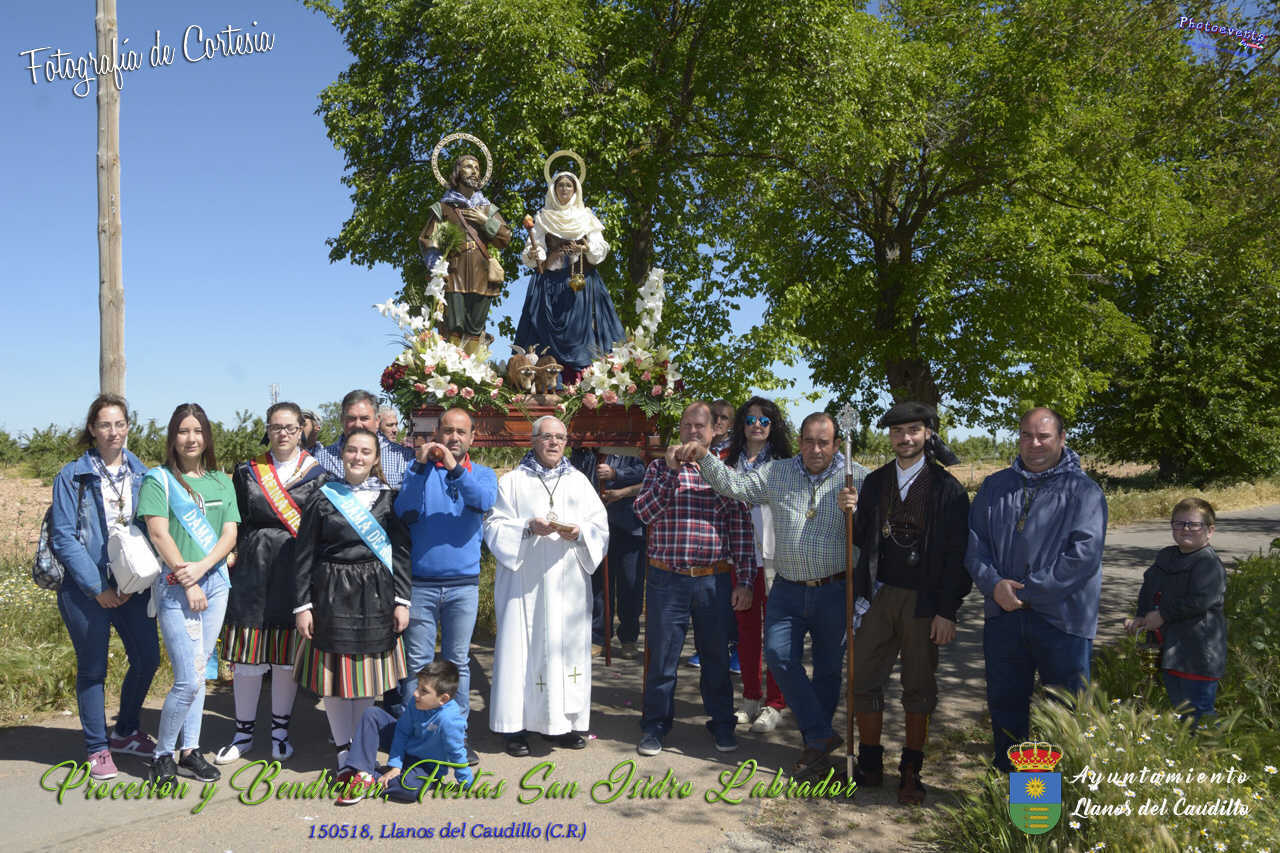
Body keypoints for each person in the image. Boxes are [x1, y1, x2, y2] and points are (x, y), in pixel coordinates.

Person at [681, 411, 865, 776]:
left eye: (824, 443)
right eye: (809, 441)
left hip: (836, 588)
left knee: (829, 670)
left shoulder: (856, 477)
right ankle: (821, 733)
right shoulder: (777, 472)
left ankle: (815, 745)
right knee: (779, 657)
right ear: (799, 442)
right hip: (788, 587)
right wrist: (704, 457)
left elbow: (874, 529)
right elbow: (735, 486)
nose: (815, 449)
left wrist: (857, 510)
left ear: (836, 444)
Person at [966, 407, 1107, 771]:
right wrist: (994, 585)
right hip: (1003, 618)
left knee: (1063, 713)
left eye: (1044, 436)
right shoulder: (995, 486)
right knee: (1006, 708)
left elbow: (1083, 556)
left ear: (1061, 438)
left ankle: (1058, 793)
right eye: (1027, 435)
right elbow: (974, 545)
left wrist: (1026, 592)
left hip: (1062, 621)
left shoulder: (1084, 491)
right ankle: (1012, 788)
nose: (1034, 444)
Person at [849, 402, 971, 804]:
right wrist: (849, 512)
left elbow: (958, 556)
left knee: (918, 685)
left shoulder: (948, 489)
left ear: (927, 434)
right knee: (864, 678)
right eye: (898, 431)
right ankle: (870, 762)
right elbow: (862, 538)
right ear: (890, 436)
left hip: (925, 600)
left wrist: (947, 610)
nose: (905, 438)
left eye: (913, 430)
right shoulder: (875, 481)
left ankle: (911, 769)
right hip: (878, 594)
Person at [633, 402, 755, 757]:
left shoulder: (724, 474)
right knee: (662, 658)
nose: (693, 431)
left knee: (716, 659)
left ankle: (722, 724)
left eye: (700, 426)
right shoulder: (659, 468)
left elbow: (741, 530)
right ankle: (655, 725)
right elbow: (644, 513)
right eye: (687, 425)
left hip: (712, 581)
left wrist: (745, 581)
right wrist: (672, 473)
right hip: (666, 578)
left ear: (714, 431)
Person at [483, 416, 609, 756]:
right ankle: (515, 728)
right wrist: (526, 527)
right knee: (521, 650)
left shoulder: (579, 482)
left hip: (568, 584)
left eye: (560, 437)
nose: (554, 443)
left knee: (564, 651)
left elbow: (600, 527)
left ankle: (561, 725)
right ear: (533, 440)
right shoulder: (512, 481)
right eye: (547, 436)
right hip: (524, 586)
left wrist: (579, 533)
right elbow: (493, 526)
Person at [49, 394, 159, 781]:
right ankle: (97, 748)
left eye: (119, 424)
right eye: (105, 425)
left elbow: (152, 528)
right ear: (92, 429)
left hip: (133, 586)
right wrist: (98, 587)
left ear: (128, 426)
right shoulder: (72, 476)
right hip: (85, 588)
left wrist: (135, 581)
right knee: (93, 669)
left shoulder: (144, 475)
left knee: (147, 659)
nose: (113, 432)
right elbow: (63, 537)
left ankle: (125, 731)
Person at [294, 428, 412, 770]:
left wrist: (402, 600)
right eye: (352, 450)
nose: (357, 457)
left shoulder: (390, 499)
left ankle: (361, 752)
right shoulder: (322, 497)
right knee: (333, 678)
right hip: (330, 593)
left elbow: (401, 554)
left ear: (375, 459)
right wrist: (303, 605)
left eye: (365, 452)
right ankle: (343, 752)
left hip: (375, 595)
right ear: (342, 454)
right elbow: (304, 553)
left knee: (365, 678)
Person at [215, 402, 325, 765]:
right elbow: (235, 521)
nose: (283, 434)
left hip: (295, 572)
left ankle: (280, 733)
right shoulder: (247, 471)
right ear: (267, 429)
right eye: (276, 427)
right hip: (253, 570)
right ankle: (242, 734)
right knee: (248, 658)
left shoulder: (318, 475)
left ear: (301, 431)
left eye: (291, 427)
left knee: (284, 661)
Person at [139, 403, 239, 787]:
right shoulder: (159, 480)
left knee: (199, 673)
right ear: (173, 437)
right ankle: (162, 754)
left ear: (207, 436)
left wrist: (204, 568)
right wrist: (189, 579)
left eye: (197, 431)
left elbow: (230, 533)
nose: (191, 438)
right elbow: (158, 532)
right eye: (183, 431)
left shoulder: (221, 481)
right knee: (187, 679)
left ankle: (190, 751)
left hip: (215, 584)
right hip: (176, 588)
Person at [394, 408, 497, 764]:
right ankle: (417, 738)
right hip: (421, 584)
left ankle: (456, 737)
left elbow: (482, 502)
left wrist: (454, 469)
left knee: (458, 664)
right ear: (437, 433)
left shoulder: (482, 474)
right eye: (448, 431)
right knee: (418, 665)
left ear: (472, 438)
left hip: (463, 585)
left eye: (461, 432)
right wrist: (421, 467)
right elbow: (404, 510)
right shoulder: (419, 471)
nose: (454, 437)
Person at [515, 170, 624, 384]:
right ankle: (548, 381)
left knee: (582, 330)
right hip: (550, 284)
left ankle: (582, 381)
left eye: (568, 185)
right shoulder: (543, 217)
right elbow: (536, 246)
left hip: (580, 283)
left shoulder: (586, 217)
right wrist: (535, 253)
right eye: (560, 185)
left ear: (575, 190)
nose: (564, 189)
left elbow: (600, 247)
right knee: (544, 331)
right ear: (553, 190)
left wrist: (586, 247)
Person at [1124, 498, 1226, 724]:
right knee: (1181, 710)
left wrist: (1162, 615)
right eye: (1179, 523)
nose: (1185, 529)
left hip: (1197, 655)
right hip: (1170, 652)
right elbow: (1149, 587)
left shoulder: (1208, 564)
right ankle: (1190, 745)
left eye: (1193, 524)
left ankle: (1211, 745)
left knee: (1199, 713)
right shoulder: (1166, 556)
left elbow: (1199, 600)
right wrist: (1142, 615)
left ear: (1209, 531)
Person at [724, 397, 792, 733]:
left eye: (764, 421)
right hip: (741, 559)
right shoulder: (728, 462)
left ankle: (775, 703)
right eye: (750, 419)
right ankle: (750, 698)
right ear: (742, 424)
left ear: (773, 426)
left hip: (775, 559)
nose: (757, 426)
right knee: (746, 634)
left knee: (776, 635)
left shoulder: (784, 465)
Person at [335, 660, 472, 805]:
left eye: (424, 691)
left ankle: (371, 778)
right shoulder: (417, 701)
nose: (416, 693)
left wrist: (468, 783)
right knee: (372, 714)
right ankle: (363, 774)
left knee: (409, 789)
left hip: (426, 766)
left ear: (443, 699)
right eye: (418, 686)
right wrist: (396, 765)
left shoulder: (450, 720)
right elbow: (401, 731)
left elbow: (457, 753)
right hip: (406, 749)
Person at [419, 152, 512, 349]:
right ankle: (452, 365)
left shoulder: (487, 209)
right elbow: (429, 241)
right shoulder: (444, 208)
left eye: (477, 168)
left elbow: (504, 239)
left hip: (482, 274)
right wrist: (437, 270)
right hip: (454, 273)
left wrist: (485, 221)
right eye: (469, 167)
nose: (474, 172)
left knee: (476, 327)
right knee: (454, 325)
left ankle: (474, 364)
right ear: (457, 172)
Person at [568, 447, 647, 658]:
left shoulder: (631, 444)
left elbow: (646, 473)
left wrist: (615, 474)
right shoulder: (585, 451)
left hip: (630, 527)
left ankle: (628, 638)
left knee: (630, 584)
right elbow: (576, 477)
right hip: (597, 529)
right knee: (599, 586)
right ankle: (599, 637)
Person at [313, 390, 414, 487]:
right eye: (351, 418)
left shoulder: (404, 457)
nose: (358, 424)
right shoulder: (322, 459)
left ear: (377, 420)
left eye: (364, 418)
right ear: (342, 420)